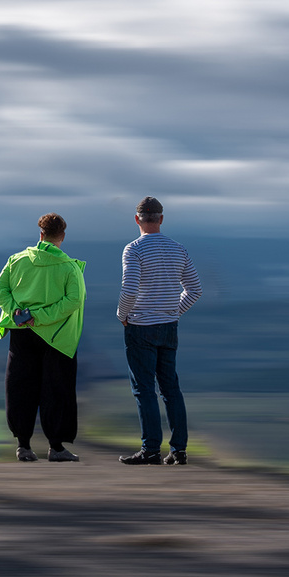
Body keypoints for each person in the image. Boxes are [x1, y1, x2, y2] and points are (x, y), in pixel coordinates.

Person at [0, 213, 87, 463]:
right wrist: (42, 317)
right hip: (56, 336)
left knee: (21, 387)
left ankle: (23, 446)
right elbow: (74, 300)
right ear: (62, 237)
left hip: (22, 333)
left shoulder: (17, 260)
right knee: (56, 389)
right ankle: (56, 448)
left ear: (40, 234)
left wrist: (17, 312)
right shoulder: (69, 267)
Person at [117, 197, 202, 465]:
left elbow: (130, 289)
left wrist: (122, 315)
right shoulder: (179, 249)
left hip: (141, 327)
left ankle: (151, 449)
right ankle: (179, 450)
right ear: (161, 219)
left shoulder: (134, 249)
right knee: (171, 389)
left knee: (144, 389)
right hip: (168, 327)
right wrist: (174, 311)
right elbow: (195, 290)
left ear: (137, 219)